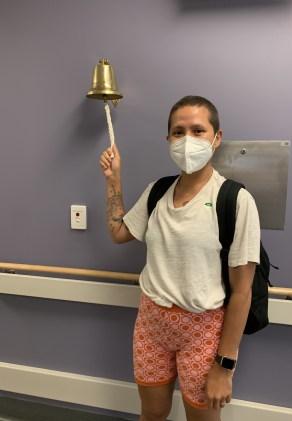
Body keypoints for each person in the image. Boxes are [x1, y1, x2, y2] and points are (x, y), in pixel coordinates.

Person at [99, 96, 260, 421]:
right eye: (179, 131)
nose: (188, 140)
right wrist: (114, 179)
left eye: (198, 131)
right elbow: (119, 232)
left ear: (216, 138)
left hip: (203, 329)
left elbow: (242, 292)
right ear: (168, 140)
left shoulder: (235, 200)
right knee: (152, 415)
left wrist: (225, 366)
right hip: (151, 323)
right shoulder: (157, 192)